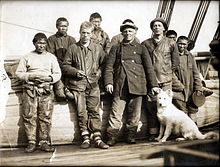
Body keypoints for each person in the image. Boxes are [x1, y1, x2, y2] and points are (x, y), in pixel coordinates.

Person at [104, 21, 159, 146]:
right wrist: (108, 82)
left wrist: (154, 85)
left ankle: (130, 135)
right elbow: (108, 67)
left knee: (135, 114)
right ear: (122, 33)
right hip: (120, 83)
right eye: (125, 31)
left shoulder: (141, 48)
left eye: (130, 31)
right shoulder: (116, 48)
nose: (128, 33)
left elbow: (149, 68)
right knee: (115, 113)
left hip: (137, 83)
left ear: (135, 32)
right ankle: (112, 136)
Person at [62, 21, 109, 149]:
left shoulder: (97, 48)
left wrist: (99, 72)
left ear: (91, 34)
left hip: (93, 85)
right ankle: (86, 138)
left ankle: (98, 138)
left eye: (88, 33)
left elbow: (105, 63)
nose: (85, 36)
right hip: (78, 86)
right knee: (81, 112)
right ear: (79, 33)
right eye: (83, 33)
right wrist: (75, 72)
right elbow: (65, 66)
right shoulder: (73, 48)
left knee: (94, 111)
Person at [16, 33, 61, 153]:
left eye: (43, 43)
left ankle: (44, 142)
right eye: (39, 43)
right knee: (29, 115)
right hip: (30, 89)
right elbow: (19, 73)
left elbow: (57, 74)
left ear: (46, 44)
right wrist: (30, 76)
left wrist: (49, 78)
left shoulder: (51, 57)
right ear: (34, 43)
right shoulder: (26, 57)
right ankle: (31, 142)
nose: (41, 46)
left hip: (45, 89)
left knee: (45, 116)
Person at [141, 18, 180, 141]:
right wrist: (150, 79)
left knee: (167, 107)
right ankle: (153, 133)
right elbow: (143, 62)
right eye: (154, 25)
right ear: (152, 28)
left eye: (159, 25)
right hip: (152, 81)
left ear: (164, 28)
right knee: (152, 106)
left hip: (166, 80)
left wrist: (167, 72)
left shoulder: (171, 43)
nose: (157, 27)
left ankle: (168, 133)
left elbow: (175, 62)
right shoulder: (145, 44)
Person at [172, 36, 205, 123]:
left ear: (187, 45)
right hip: (178, 91)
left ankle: (194, 132)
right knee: (182, 112)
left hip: (191, 91)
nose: (182, 46)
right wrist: (179, 86)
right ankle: (184, 133)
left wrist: (198, 88)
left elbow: (196, 73)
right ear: (176, 43)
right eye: (180, 44)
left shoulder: (190, 56)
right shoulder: (172, 56)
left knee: (193, 111)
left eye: (184, 44)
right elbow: (170, 73)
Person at [47, 17, 76, 100]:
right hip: (57, 69)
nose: (63, 28)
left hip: (69, 69)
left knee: (72, 95)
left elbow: (74, 55)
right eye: (61, 26)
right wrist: (61, 65)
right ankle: (60, 90)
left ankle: (68, 89)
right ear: (57, 26)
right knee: (60, 95)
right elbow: (51, 55)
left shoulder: (72, 40)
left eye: (65, 26)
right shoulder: (51, 39)